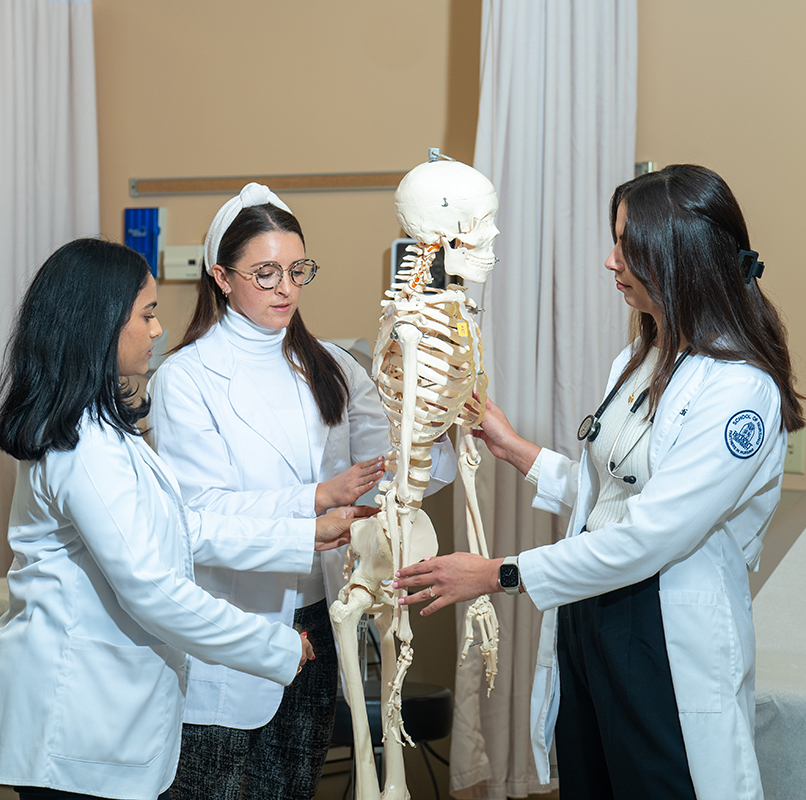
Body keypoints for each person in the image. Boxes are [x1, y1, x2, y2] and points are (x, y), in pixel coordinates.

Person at [393, 164, 804, 800]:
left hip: (660, 635)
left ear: (675, 259)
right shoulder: (642, 358)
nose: (610, 261)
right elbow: (613, 492)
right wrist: (518, 452)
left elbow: (650, 534)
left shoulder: (739, 393)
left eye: (625, 246)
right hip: (595, 615)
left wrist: (499, 573)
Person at [0, 238, 371, 800]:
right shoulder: (85, 448)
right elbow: (152, 588)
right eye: (146, 314)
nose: (156, 330)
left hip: (107, 715)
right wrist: (274, 646)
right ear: (98, 324)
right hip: (78, 718)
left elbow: (182, 527)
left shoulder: (103, 431)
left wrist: (302, 533)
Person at [147, 183, 456, 800]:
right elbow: (197, 515)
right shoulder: (185, 378)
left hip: (319, 622)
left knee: (293, 786)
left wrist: (436, 413)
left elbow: (396, 467)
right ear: (221, 276)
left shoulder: (333, 367)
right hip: (229, 626)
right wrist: (313, 499)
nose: (285, 287)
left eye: (296, 270)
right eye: (265, 273)